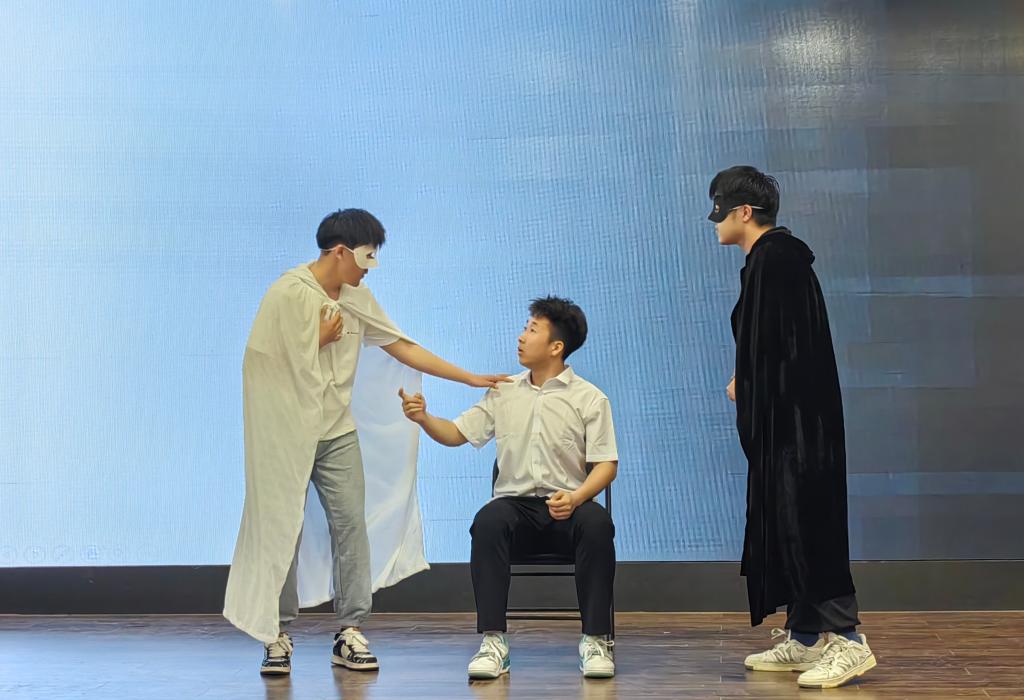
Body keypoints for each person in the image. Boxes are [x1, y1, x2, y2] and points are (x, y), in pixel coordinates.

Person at [223, 209, 507, 676]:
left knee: (351, 523)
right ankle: (276, 633)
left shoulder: (357, 297)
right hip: (285, 434)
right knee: (280, 527)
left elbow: (400, 345)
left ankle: (350, 629)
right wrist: (315, 339)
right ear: (340, 252)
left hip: (336, 431)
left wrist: (469, 378)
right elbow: (260, 363)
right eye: (366, 257)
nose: (369, 268)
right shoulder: (287, 293)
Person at [709, 166, 877, 689]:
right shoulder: (769, 260)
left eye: (720, 209)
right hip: (789, 423)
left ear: (744, 212)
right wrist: (747, 378)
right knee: (786, 521)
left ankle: (848, 640)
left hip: (799, 427)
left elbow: (788, 348)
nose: (714, 220)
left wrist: (752, 382)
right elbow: (774, 340)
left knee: (807, 522)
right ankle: (804, 636)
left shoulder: (776, 259)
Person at [400, 296, 619, 680]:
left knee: (598, 524)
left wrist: (577, 497)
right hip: (516, 510)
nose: (521, 337)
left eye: (532, 330)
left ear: (556, 346)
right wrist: (423, 418)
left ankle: (595, 640)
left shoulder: (590, 398)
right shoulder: (503, 392)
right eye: (524, 328)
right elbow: (456, 434)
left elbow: (606, 465)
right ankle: (493, 642)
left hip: (567, 507)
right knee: (488, 520)